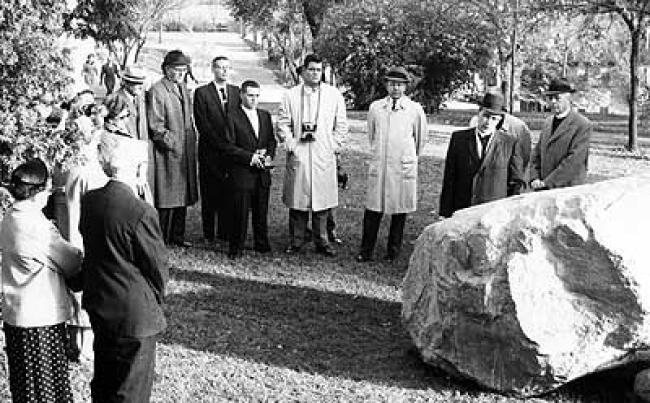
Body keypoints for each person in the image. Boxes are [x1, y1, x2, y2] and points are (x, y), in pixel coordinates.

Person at [79, 132, 169, 402]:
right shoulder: (140, 211)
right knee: (131, 390)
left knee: (104, 382)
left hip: (100, 303)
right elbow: (157, 267)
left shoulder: (90, 200)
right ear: (138, 168)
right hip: (134, 314)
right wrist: (155, 299)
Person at [1, 158, 83, 403]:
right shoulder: (37, 226)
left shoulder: (9, 219)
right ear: (38, 193)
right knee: (47, 390)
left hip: (16, 315)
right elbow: (71, 261)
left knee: (25, 389)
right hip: (40, 319)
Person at [277, 54, 348, 256]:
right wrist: (292, 145)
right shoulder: (290, 95)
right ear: (303, 71)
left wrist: (332, 146)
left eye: (319, 70)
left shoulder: (333, 95)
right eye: (312, 70)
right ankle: (296, 240)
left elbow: (341, 125)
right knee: (298, 201)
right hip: (300, 153)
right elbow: (283, 124)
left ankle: (322, 241)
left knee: (322, 203)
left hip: (323, 154)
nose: (315, 73)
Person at [356, 67, 427, 263]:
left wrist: (407, 157)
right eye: (392, 83)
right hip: (381, 163)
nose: (395, 88)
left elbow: (420, 140)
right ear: (386, 85)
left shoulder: (415, 110)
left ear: (406, 87)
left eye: (400, 84)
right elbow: (372, 135)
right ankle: (366, 249)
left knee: (399, 209)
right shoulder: (376, 108)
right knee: (373, 208)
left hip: (401, 166)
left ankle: (393, 250)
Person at [439, 92, 525, 218]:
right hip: (463, 209)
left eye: (494, 118)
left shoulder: (510, 143)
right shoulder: (459, 139)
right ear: (479, 113)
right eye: (486, 116)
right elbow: (449, 178)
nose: (488, 122)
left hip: (494, 213)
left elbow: (516, 182)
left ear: (500, 120)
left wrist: (509, 213)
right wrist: (445, 213)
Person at [219, 80, 276, 258]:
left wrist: (268, 156)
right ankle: (236, 248)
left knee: (261, 211)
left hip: (261, 173)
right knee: (240, 213)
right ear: (242, 95)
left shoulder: (265, 116)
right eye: (250, 95)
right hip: (242, 173)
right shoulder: (232, 117)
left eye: (257, 96)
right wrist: (250, 158)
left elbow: (271, 141)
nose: (254, 99)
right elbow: (228, 146)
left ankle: (261, 244)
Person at [147, 49, 198, 247]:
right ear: (166, 69)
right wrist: (173, 144)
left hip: (185, 150)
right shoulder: (158, 90)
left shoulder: (183, 88)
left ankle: (177, 236)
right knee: (166, 197)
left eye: (183, 70)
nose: (180, 73)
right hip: (167, 153)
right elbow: (156, 126)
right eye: (177, 69)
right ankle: (161, 239)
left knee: (182, 195)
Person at [193, 56, 240, 244]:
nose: (224, 71)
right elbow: (202, 123)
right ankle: (208, 233)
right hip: (210, 151)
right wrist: (221, 144)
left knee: (228, 192)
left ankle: (225, 231)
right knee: (209, 192)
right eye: (220, 68)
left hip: (232, 153)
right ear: (213, 69)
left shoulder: (237, 92)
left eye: (227, 68)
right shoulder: (202, 93)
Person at [530, 77, 592, 190]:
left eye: (557, 98)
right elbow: (536, 154)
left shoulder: (582, 124)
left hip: (567, 190)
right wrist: (534, 178)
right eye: (550, 98)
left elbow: (574, 161)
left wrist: (548, 182)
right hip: (543, 188)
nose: (553, 102)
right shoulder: (547, 123)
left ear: (569, 98)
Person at [103, 66, 148, 140]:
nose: (141, 87)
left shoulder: (141, 99)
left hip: (140, 146)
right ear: (126, 83)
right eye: (136, 83)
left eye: (142, 83)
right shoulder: (113, 99)